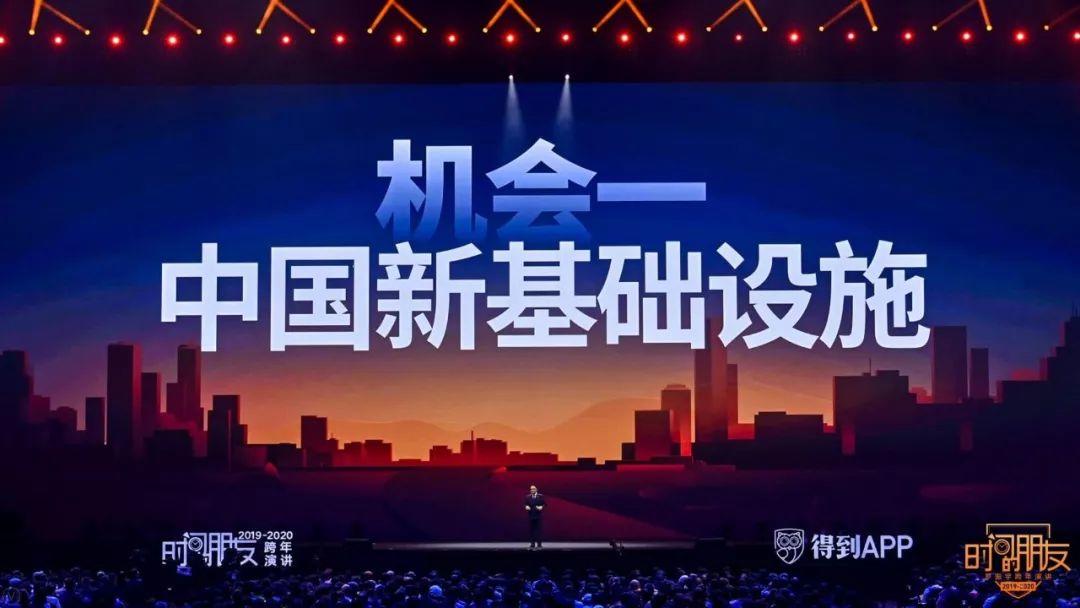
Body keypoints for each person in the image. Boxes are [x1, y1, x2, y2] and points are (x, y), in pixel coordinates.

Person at [524, 485, 546, 549]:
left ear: (536, 490)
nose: (532, 490)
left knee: (539, 530)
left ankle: (539, 544)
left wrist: (541, 507)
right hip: (531, 516)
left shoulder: (541, 496)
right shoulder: (527, 497)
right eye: (531, 489)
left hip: (538, 516)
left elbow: (544, 504)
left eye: (533, 489)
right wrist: (526, 506)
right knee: (531, 530)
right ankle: (532, 544)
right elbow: (525, 504)